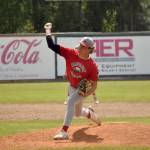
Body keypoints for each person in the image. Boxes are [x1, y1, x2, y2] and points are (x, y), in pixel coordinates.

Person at [44, 23, 101, 140]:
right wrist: (48, 31)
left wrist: (86, 94)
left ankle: (64, 131)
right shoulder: (70, 53)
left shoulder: (92, 66)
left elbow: (94, 85)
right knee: (77, 113)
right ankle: (91, 113)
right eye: (80, 44)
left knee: (70, 102)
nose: (80, 46)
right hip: (72, 86)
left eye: (82, 45)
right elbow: (51, 45)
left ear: (88, 49)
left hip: (83, 87)